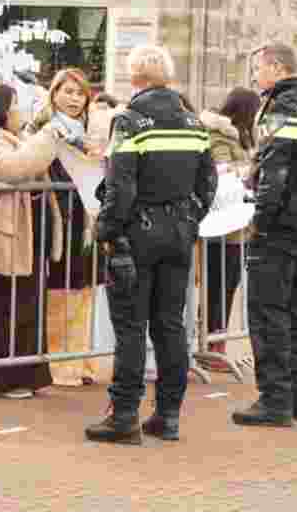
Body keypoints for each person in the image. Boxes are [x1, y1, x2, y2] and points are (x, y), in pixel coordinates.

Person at [86, 45, 217, 445]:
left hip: (137, 236)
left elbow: (121, 185)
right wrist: (190, 219)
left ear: (135, 79)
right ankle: (168, 415)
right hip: (178, 234)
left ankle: (124, 415)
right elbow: (207, 183)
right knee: (170, 325)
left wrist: (106, 230)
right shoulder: (194, 123)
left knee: (131, 327)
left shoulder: (129, 120)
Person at [232, 43, 297, 427]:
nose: (255, 77)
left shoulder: (281, 107)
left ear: (277, 67)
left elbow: (275, 170)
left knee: (267, 310)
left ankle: (274, 399)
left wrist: (258, 217)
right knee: (294, 308)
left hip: (278, 224)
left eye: (258, 69)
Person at [0, 82, 64, 399]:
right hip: (8, 234)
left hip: (29, 234)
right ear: (1, 111)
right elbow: (13, 168)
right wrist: (48, 137)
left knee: (29, 303)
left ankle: (28, 373)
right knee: (7, 305)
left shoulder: (18, 138)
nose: (20, 110)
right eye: (14, 104)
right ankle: (4, 378)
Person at [27, 68, 101, 387]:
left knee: (83, 288)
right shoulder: (41, 128)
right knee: (60, 288)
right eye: (67, 91)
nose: (73, 99)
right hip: (58, 219)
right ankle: (59, 363)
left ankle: (80, 358)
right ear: (54, 93)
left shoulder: (89, 132)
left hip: (86, 219)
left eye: (79, 93)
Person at [198, 87, 262, 372]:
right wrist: (255, 165)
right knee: (218, 286)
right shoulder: (218, 135)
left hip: (239, 224)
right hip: (220, 225)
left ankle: (216, 342)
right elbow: (223, 170)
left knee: (228, 285)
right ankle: (210, 345)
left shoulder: (244, 135)